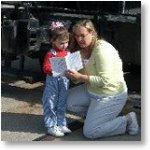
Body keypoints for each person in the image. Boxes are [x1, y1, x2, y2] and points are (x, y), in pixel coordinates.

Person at [66, 19, 139, 139]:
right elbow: (80, 78)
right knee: (67, 100)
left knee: (90, 132)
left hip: (110, 95)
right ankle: (98, 117)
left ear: (92, 33)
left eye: (83, 35)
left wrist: (79, 77)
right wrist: (72, 76)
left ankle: (127, 120)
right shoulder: (83, 50)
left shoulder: (101, 50)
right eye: (77, 36)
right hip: (92, 90)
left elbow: (105, 81)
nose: (79, 39)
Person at [42, 21, 71, 137]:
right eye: (61, 43)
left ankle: (61, 123)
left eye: (67, 42)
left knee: (62, 102)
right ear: (53, 41)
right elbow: (45, 67)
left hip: (64, 80)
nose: (64, 45)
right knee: (50, 101)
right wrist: (54, 70)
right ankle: (51, 125)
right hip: (53, 80)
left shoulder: (67, 53)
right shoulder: (51, 54)